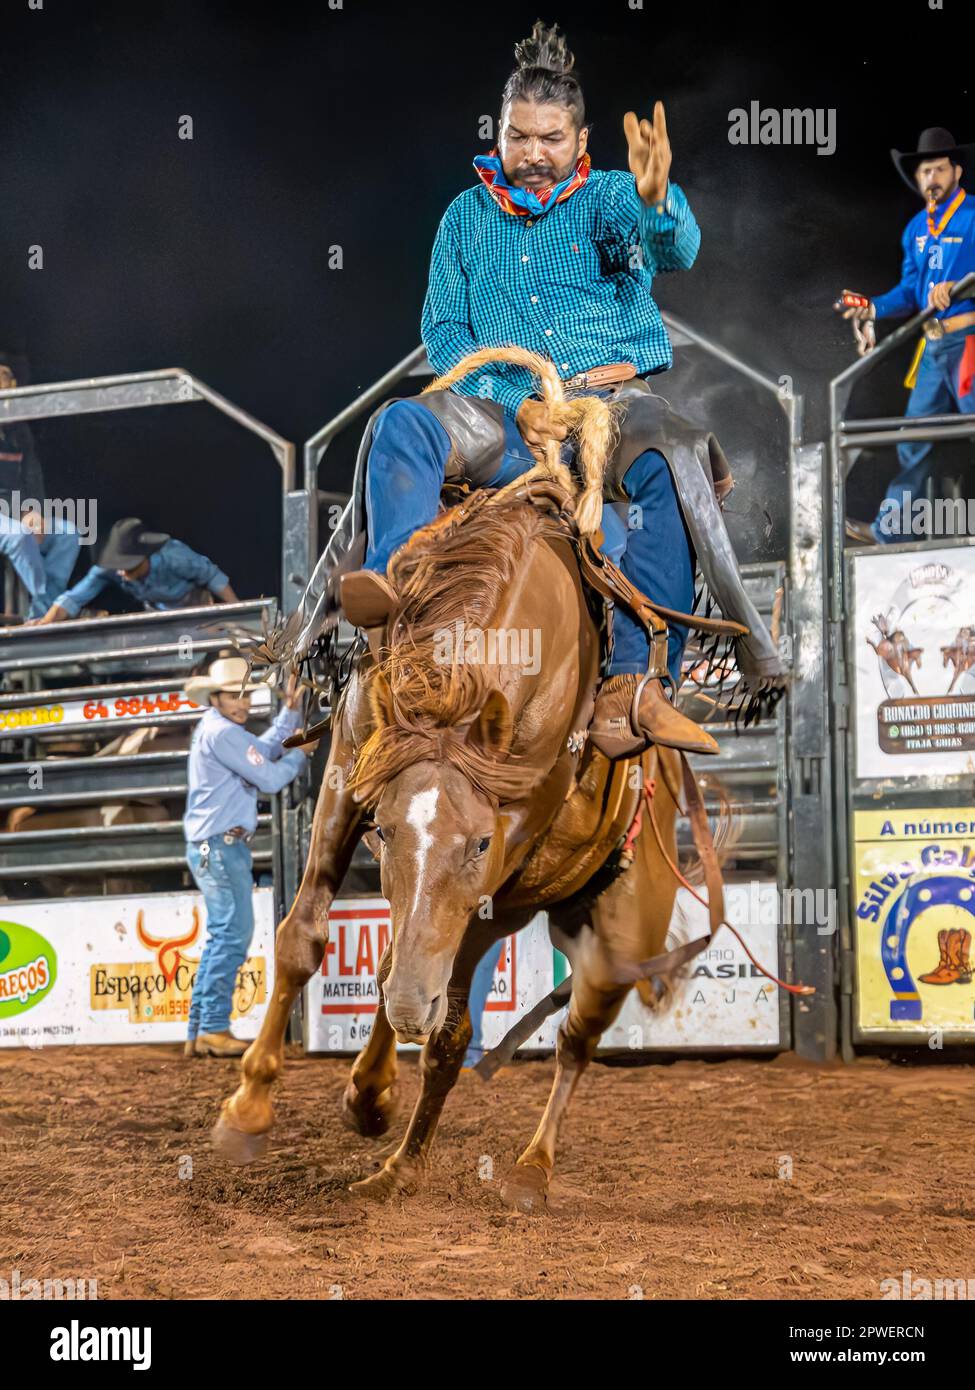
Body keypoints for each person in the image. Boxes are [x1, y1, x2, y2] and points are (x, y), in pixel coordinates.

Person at [318, 21, 781, 759]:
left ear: (579, 138)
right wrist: (516, 397)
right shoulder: (463, 220)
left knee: (665, 454)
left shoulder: (607, 200)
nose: (533, 155)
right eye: (518, 137)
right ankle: (396, 576)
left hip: (609, 408)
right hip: (503, 416)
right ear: (499, 134)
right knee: (403, 420)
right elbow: (443, 329)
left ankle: (634, 686)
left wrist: (658, 197)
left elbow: (671, 250)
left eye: (550, 139)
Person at [841, 128, 975, 544]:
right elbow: (910, 292)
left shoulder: (974, 215)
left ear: (956, 170)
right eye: (923, 172)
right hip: (933, 346)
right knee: (912, 439)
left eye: (938, 168)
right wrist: (874, 307)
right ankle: (890, 531)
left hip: (970, 341)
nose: (930, 178)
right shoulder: (917, 227)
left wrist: (959, 286)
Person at [182, 656, 308, 1058]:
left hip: (215, 845)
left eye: (245, 694)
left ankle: (200, 1029)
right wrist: (302, 754)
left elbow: (262, 750)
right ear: (215, 698)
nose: (242, 702)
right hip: (219, 847)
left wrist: (289, 715)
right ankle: (213, 1029)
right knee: (233, 934)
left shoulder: (220, 731)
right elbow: (270, 775)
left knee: (224, 934)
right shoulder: (224, 734)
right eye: (233, 695)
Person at [31, 516, 238, 623]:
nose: (122, 573)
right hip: (157, 612)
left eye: (128, 567)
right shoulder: (108, 569)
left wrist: (237, 610)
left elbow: (212, 576)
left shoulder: (174, 556)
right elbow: (74, 597)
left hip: (195, 606)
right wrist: (46, 621)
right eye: (118, 567)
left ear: (144, 558)